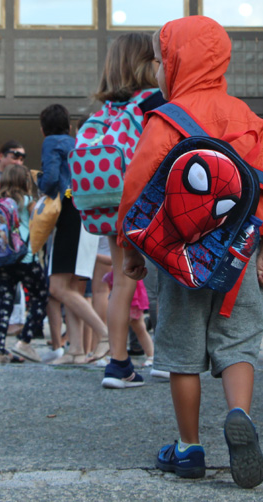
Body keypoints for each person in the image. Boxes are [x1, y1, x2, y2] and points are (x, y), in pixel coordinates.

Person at [118, 16, 263, 488]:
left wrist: (131, 250)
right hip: (239, 258)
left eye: (160, 60)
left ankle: (189, 448)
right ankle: (238, 415)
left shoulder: (166, 120)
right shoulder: (250, 119)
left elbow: (137, 190)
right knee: (239, 341)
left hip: (181, 260)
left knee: (182, 350)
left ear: (174, 61)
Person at [90, 32, 166, 389]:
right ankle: (168, 358)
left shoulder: (104, 111)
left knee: (123, 281)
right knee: (169, 277)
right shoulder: (153, 101)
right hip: (149, 201)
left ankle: (117, 364)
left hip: (110, 202)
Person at [38, 104, 109, 365]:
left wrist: (39, 183)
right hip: (85, 214)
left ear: (42, 128)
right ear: (68, 125)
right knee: (71, 286)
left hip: (69, 215)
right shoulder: (75, 142)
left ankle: (104, 334)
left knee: (58, 286)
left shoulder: (51, 142)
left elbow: (51, 179)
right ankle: (76, 349)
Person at [0, 164, 49, 363]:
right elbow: (40, 223)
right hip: (25, 257)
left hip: (3, 259)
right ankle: (24, 341)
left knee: (4, 303)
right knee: (40, 294)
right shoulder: (28, 201)